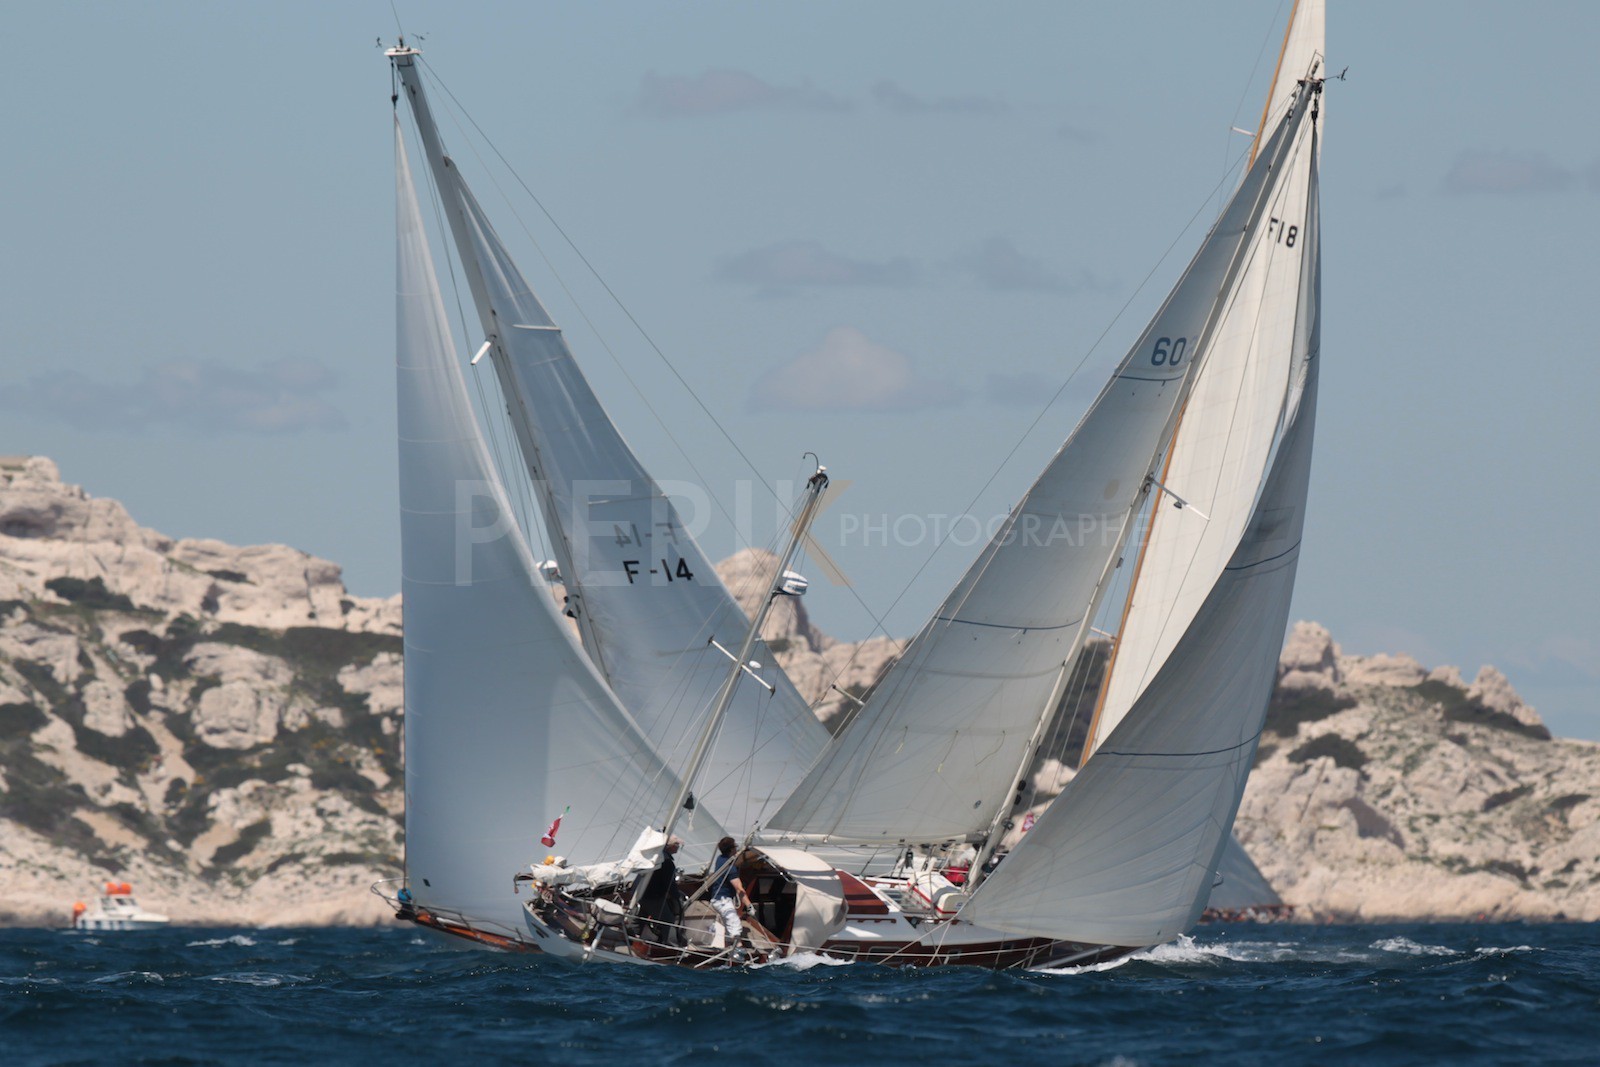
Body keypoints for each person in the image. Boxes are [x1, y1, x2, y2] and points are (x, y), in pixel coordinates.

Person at [637, 836, 685, 946]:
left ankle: (631, 939)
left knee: (639, 918)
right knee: (668, 920)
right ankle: (666, 946)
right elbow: (669, 884)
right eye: (677, 845)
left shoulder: (656, 857)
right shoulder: (667, 862)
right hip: (655, 897)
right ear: (670, 846)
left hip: (643, 894)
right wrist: (676, 897)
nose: (678, 847)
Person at [706, 836, 753, 947]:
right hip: (723, 900)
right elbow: (739, 889)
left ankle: (728, 948)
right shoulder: (730, 868)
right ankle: (737, 949)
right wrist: (749, 906)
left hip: (717, 899)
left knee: (729, 928)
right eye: (735, 847)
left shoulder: (720, 858)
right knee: (735, 925)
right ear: (732, 849)